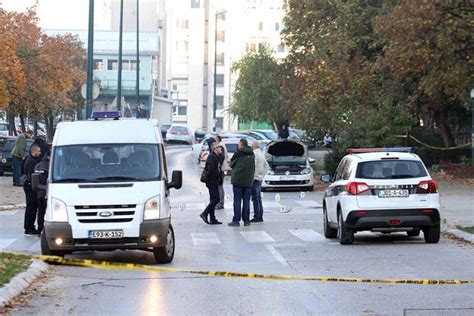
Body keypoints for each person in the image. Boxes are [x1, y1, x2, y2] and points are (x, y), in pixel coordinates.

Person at [228, 138, 255, 227]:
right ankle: (246, 221)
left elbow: (231, 164)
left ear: (241, 144)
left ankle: (236, 220)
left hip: (238, 180)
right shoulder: (252, 153)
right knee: (246, 201)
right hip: (248, 180)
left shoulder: (238, 153)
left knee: (237, 200)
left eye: (239, 144)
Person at [199, 143, 223, 225]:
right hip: (212, 181)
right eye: (219, 147)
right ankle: (204, 213)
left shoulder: (215, 156)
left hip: (213, 181)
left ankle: (212, 218)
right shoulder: (211, 157)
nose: (220, 149)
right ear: (214, 149)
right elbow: (211, 170)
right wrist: (217, 177)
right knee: (216, 199)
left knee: (213, 199)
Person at [23, 144, 42, 236]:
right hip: (31, 186)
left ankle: (29, 227)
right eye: (38, 151)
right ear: (33, 151)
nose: (40, 153)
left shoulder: (29, 159)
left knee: (32, 207)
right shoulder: (31, 162)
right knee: (31, 207)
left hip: (29, 185)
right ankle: (29, 228)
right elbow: (31, 176)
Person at [251, 141, 268, 223]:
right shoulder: (261, 153)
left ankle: (257, 216)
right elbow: (266, 166)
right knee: (258, 198)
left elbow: (252, 166)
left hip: (255, 179)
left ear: (254, 146)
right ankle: (260, 215)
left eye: (252, 145)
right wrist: (262, 175)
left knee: (255, 199)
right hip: (259, 178)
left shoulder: (254, 154)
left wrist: (253, 177)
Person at [34, 150, 50, 234]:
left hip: (40, 192)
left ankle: (40, 228)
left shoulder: (38, 165)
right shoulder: (51, 165)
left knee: (40, 211)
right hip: (49, 192)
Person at [215, 135, 229, 209]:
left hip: (221, 169)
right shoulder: (222, 145)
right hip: (223, 168)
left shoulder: (221, 146)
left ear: (217, 139)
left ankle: (221, 202)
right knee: (220, 186)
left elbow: (221, 157)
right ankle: (220, 202)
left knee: (219, 186)